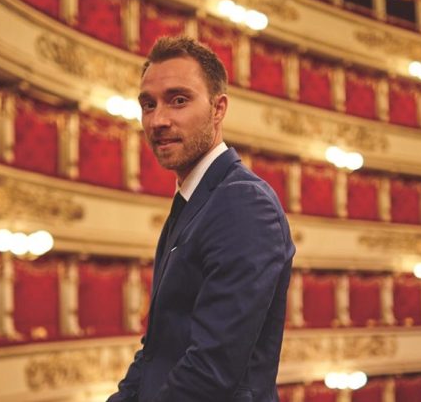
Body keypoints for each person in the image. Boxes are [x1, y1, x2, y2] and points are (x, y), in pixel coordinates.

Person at [108, 36, 296, 402]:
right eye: (148, 104)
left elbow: (210, 371)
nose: (158, 120)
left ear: (218, 108)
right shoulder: (193, 200)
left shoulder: (243, 204)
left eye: (179, 100)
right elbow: (156, 349)